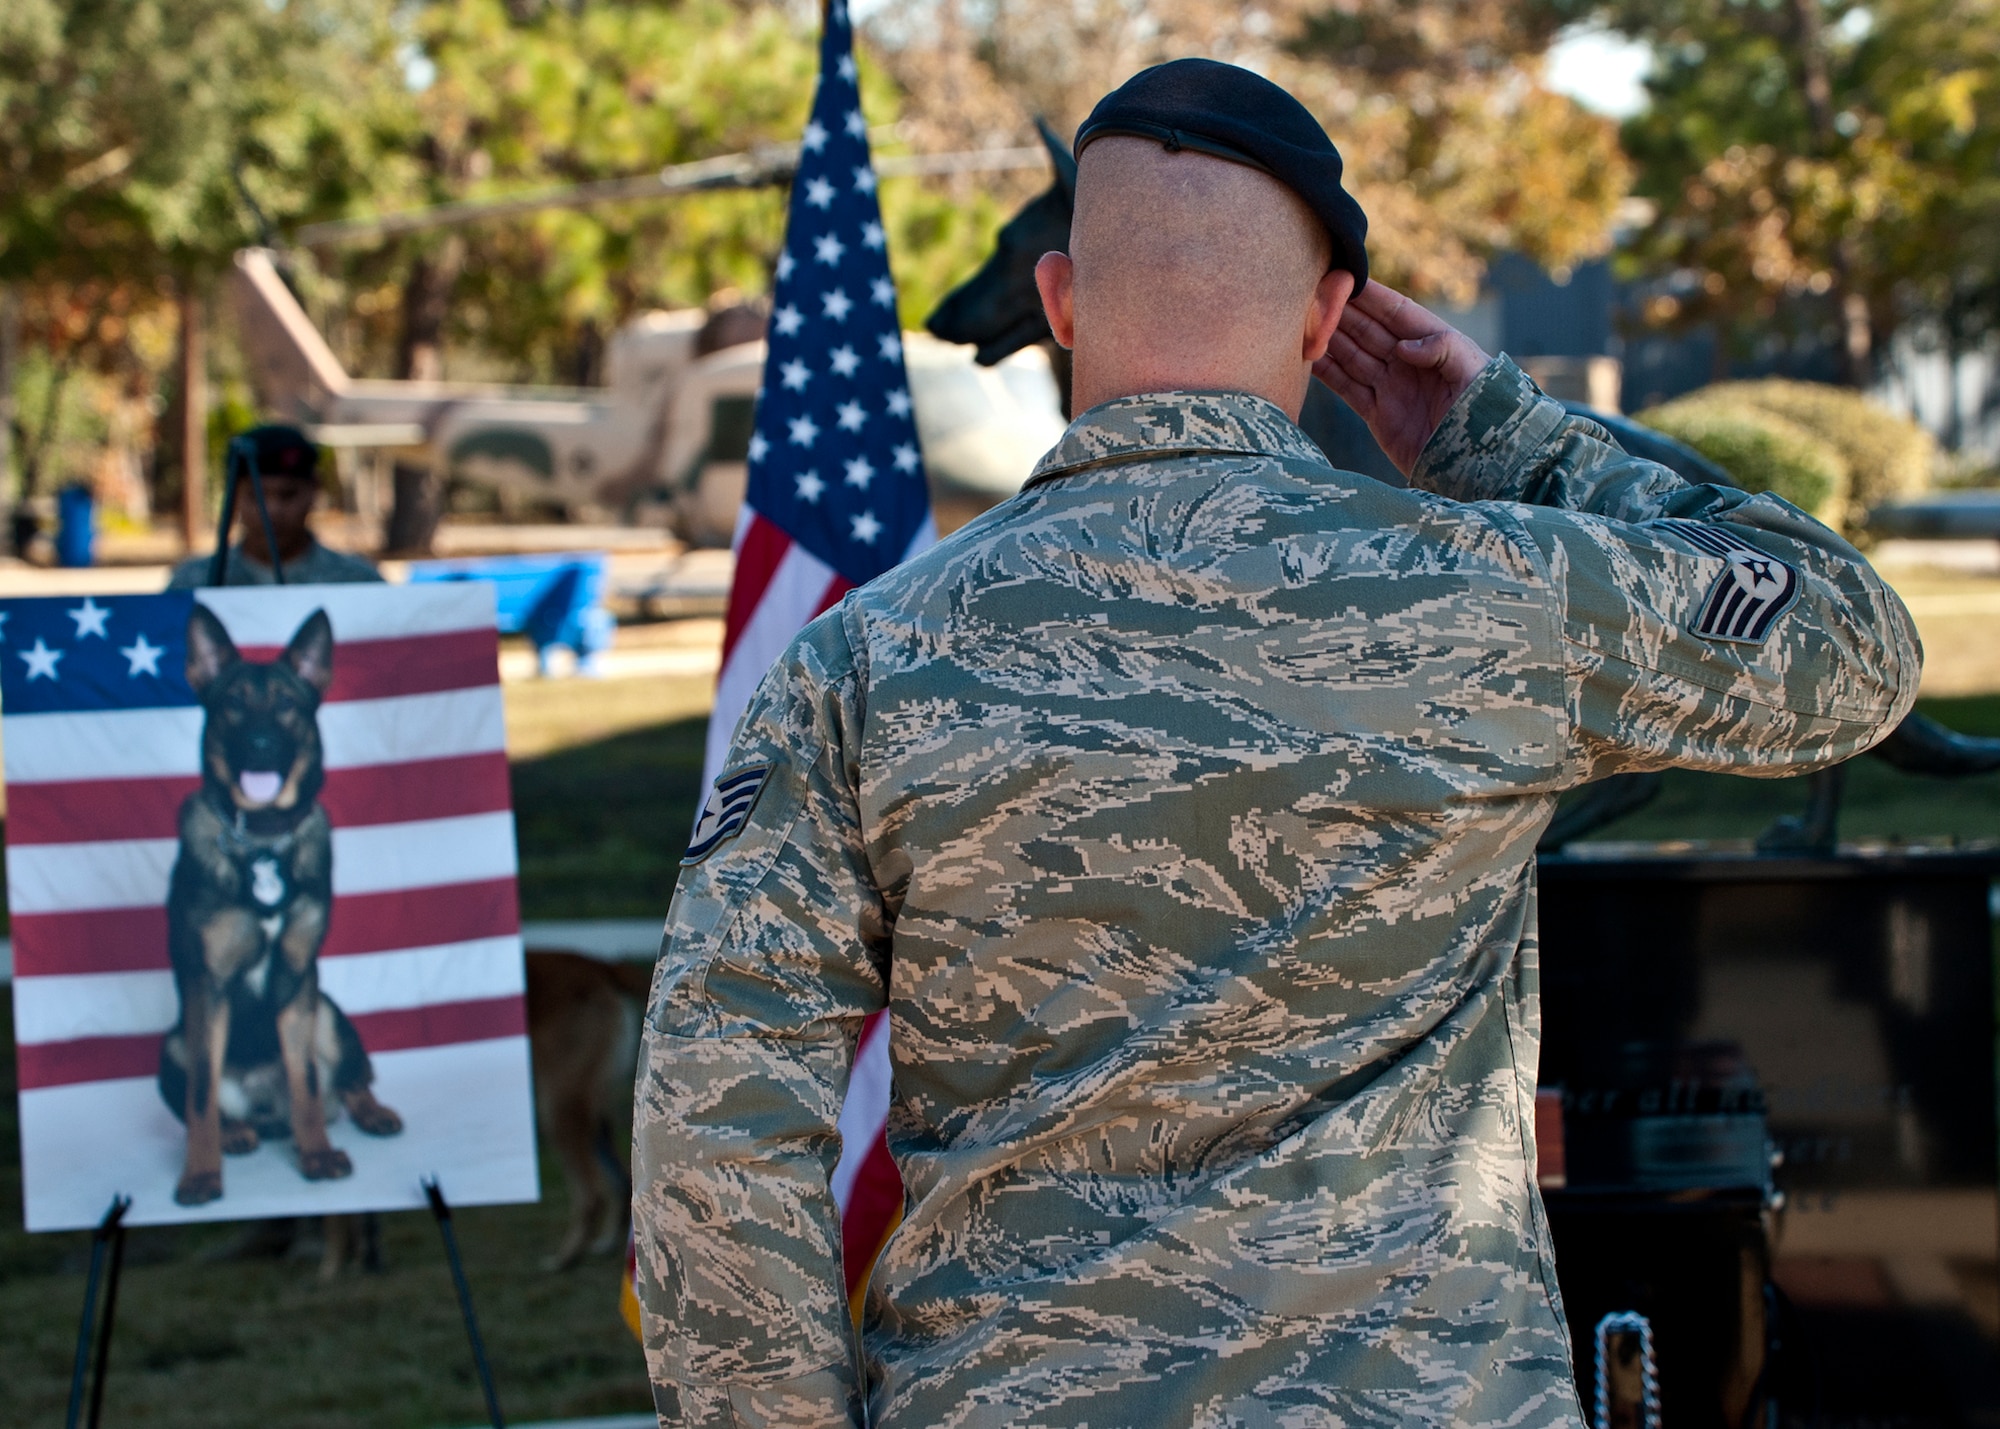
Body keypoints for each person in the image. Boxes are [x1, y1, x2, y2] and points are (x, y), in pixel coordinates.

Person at [632, 59, 1919, 1428]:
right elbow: (1853, 646)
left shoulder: (861, 661)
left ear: (1060, 302)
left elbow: (717, 1118)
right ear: (1328, 320)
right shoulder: (1489, 594)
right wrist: (1505, 439)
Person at [167, 424, 383, 588]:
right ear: (234, 496)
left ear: (314, 491)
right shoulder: (195, 582)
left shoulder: (357, 581)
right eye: (256, 496)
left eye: (288, 495)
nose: (272, 510)